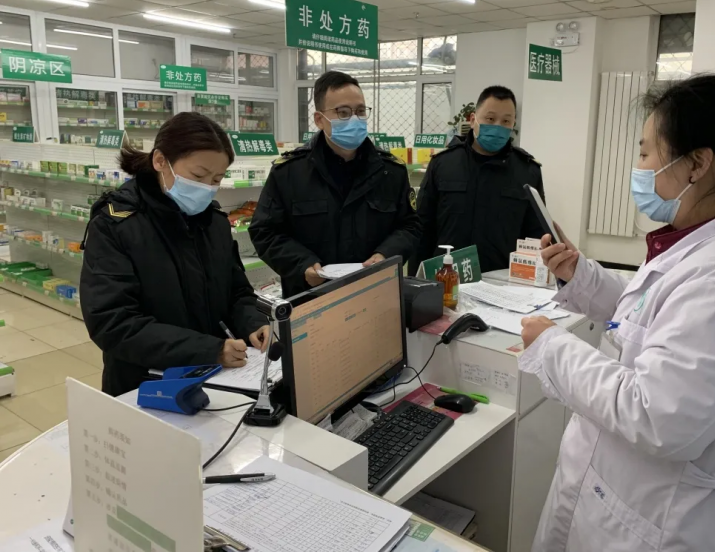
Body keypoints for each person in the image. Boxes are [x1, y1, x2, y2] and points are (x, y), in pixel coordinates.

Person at [518, 75, 715, 551]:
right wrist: (579, 275)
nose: (640, 167)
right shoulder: (705, 244)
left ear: (697, 164)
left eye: (647, 153)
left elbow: (656, 415)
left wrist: (551, 346)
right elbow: (647, 312)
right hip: (628, 497)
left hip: (666, 523)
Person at [80, 112, 270, 397]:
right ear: (160, 161)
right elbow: (112, 323)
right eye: (198, 176)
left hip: (220, 378)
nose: (207, 188)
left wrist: (253, 323)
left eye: (217, 179)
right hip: (145, 386)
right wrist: (208, 350)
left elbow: (237, 291)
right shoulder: (116, 225)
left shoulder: (214, 222)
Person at [249, 71, 421, 297]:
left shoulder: (391, 171)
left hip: (374, 292)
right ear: (319, 119)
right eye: (343, 112)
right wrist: (303, 265)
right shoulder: (289, 172)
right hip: (311, 296)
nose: (355, 119)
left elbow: (410, 226)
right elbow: (265, 231)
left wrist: (385, 255)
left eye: (360, 111)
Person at [409, 85, 545, 275]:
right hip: (447, 276)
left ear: (513, 125)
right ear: (473, 120)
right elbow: (422, 227)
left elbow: (537, 235)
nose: (497, 126)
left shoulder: (527, 171)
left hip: (502, 280)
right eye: (490, 119)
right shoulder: (444, 164)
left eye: (506, 121)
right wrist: (415, 283)